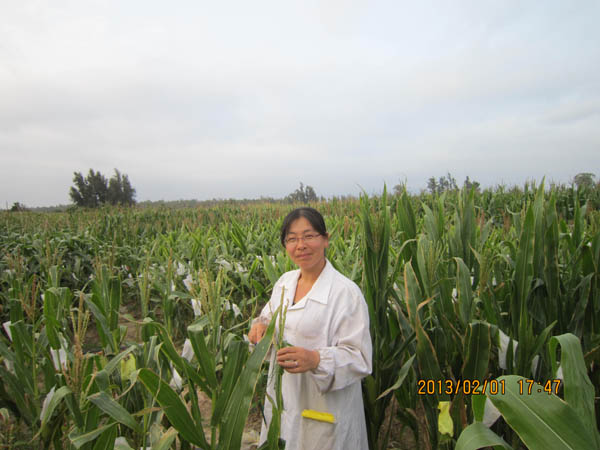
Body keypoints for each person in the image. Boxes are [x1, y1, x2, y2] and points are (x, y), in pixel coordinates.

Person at [248, 207, 372, 450]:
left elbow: (360, 358)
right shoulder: (284, 283)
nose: (301, 245)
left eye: (309, 236)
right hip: (284, 400)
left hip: (326, 410)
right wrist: (259, 329)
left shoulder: (346, 293)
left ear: (325, 239)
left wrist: (316, 359)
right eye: (292, 239)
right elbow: (266, 319)